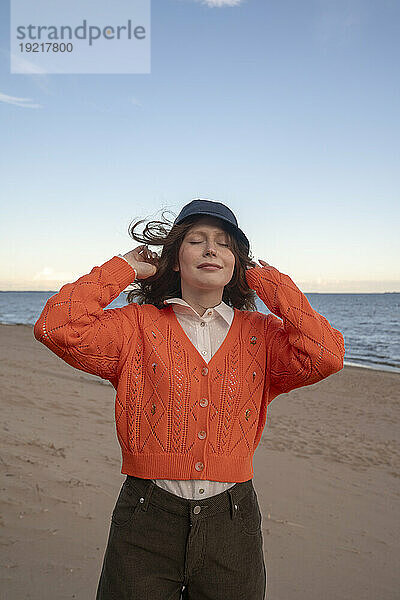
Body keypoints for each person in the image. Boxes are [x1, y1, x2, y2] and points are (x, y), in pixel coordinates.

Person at [33, 198, 345, 600]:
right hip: (146, 516)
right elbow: (56, 326)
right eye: (197, 240)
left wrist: (269, 283)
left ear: (238, 263)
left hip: (232, 522)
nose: (211, 249)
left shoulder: (263, 335)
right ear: (176, 259)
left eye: (224, 243)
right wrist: (124, 268)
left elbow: (327, 354)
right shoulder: (135, 326)